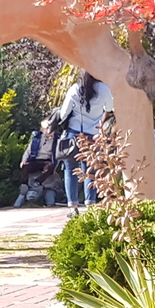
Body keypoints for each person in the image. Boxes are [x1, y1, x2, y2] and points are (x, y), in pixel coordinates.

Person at [57, 72, 113, 215]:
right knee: (91, 170)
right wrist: (100, 120)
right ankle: (90, 205)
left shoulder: (75, 89)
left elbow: (63, 114)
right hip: (94, 135)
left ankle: (73, 207)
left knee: (70, 170)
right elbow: (110, 109)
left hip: (74, 135)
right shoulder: (104, 89)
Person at [14, 112, 64, 207]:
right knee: (26, 167)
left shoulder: (57, 139)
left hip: (47, 161)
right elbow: (28, 151)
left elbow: (57, 155)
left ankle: (38, 181)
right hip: (35, 159)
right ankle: (24, 184)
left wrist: (55, 167)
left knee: (50, 167)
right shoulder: (37, 138)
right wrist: (23, 160)